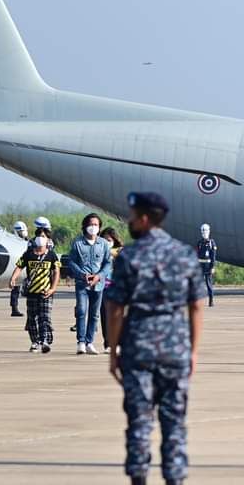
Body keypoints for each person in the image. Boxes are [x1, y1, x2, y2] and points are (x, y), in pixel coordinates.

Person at [105, 192, 204, 485]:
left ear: (145, 219)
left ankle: (139, 477)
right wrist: (193, 351)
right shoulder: (184, 254)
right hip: (175, 350)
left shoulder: (130, 256)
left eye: (133, 216)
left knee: (139, 420)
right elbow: (196, 305)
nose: (130, 221)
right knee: (174, 422)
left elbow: (115, 309)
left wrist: (114, 351)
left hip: (139, 350)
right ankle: (175, 477)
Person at [8, 226, 60, 353]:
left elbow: (56, 272)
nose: (40, 239)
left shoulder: (52, 255)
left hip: (45, 292)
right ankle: (35, 341)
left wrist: (53, 288)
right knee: (32, 319)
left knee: (44, 318)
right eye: (38, 236)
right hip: (32, 292)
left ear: (48, 240)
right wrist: (13, 278)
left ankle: (45, 341)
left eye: (43, 236)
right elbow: (19, 266)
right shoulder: (29, 254)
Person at [68, 213, 113, 355]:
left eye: (96, 224)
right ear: (85, 226)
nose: (93, 227)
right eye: (91, 224)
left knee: (94, 315)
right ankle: (81, 342)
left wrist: (99, 276)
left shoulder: (103, 244)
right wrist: (82, 275)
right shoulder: (78, 243)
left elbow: (108, 263)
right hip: (82, 283)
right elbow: (71, 261)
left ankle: (89, 342)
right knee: (81, 311)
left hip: (98, 285)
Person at [100, 227, 125, 352]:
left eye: (109, 240)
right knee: (105, 316)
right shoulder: (98, 250)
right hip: (102, 287)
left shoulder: (120, 251)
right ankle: (108, 343)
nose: (107, 242)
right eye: (104, 240)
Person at [8, 220, 29, 317]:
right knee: (15, 288)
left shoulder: (27, 241)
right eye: (20, 232)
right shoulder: (12, 241)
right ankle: (14, 308)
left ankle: (15, 308)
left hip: (23, 267)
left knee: (20, 288)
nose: (22, 233)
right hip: (16, 267)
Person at [196, 223, 217, 307]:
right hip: (200, 266)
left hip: (208, 266)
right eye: (203, 230)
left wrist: (213, 267)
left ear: (208, 231)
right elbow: (197, 255)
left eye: (205, 230)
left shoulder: (212, 242)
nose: (204, 232)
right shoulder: (199, 243)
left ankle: (211, 301)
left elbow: (213, 256)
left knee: (208, 284)